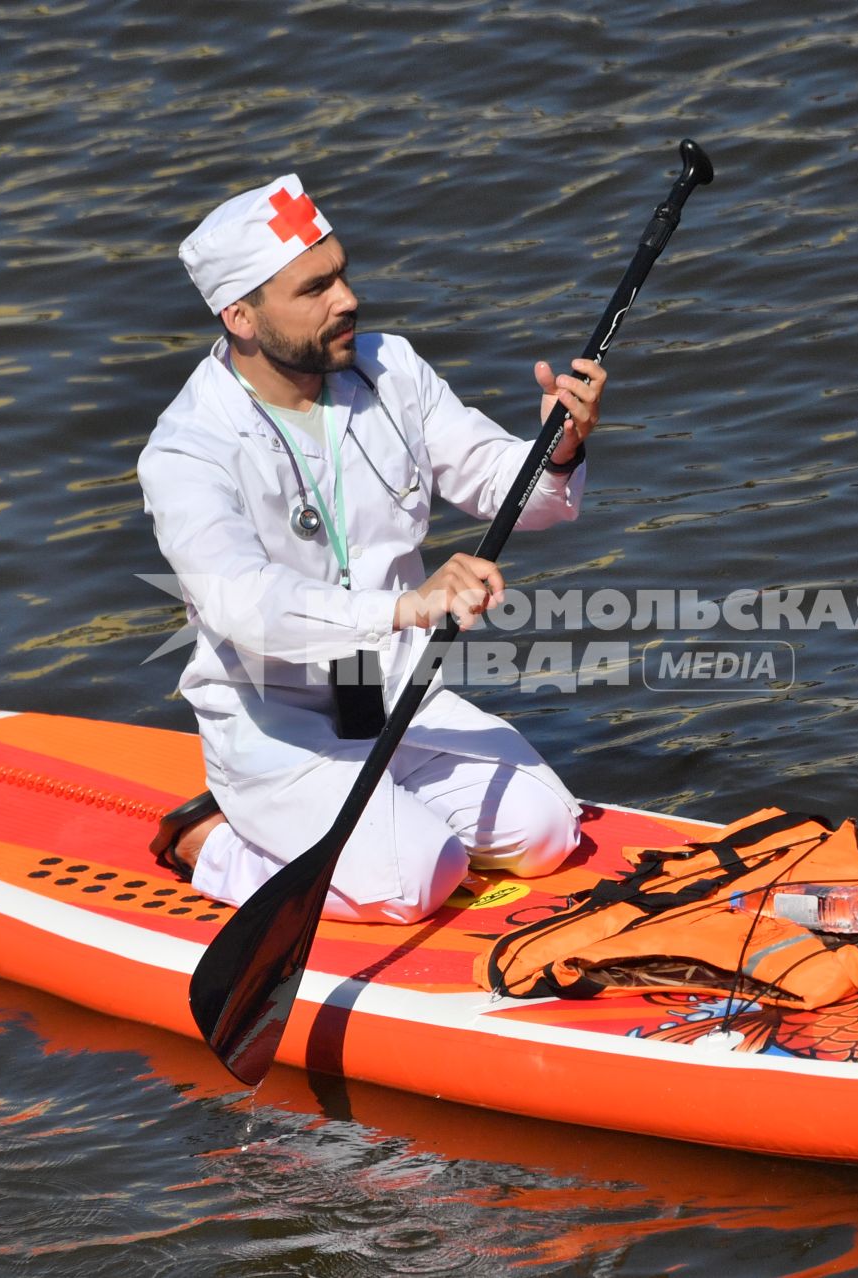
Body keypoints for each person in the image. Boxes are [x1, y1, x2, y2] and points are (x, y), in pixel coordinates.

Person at [137, 173, 606, 924]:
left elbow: (503, 485)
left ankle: (379, 817)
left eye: (343, 273)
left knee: (548, 834)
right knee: (415, 882)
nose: (347, 298)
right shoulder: (186, 450)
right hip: (275, 717)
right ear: (242, 317)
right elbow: (244, 608)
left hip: (388, 693)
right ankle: (212, 844)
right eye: (315, 288)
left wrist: (558, 447)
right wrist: (406, 607)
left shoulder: (392, 368)